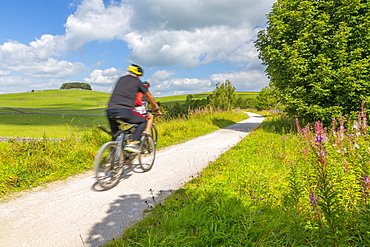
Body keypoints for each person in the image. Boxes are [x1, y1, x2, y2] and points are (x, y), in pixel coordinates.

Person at [106, 64, 161, 153]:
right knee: (143, 121)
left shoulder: (121, 79)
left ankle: (113, 157)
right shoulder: (137, 82)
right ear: (138, 74)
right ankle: (133, 143)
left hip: (110, 110)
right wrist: (156, 107)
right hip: (124, 110)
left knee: (116, 135)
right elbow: (149, 96)